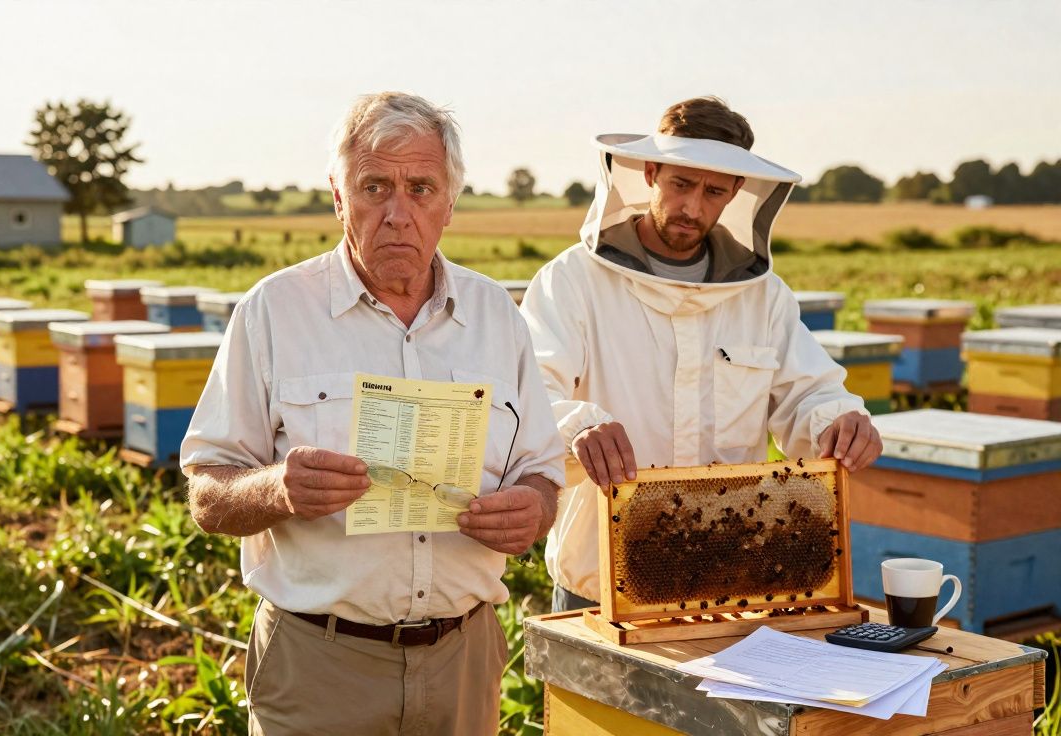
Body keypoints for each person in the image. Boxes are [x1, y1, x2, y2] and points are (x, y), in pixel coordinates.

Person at [181, 91, 564, 735]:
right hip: (318, 663)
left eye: (420, 188)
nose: (398, 213)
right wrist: (279, 489)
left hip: (464, 659)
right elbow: (207, 494)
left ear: (450, 204)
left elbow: (543, 473)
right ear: (338, 197)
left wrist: (533, 507)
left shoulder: (498, 316)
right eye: (375, 186)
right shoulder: (273, 312)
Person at [519, 96, 883, 612]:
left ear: (736, 191)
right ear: (650, 172)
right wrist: (576, 427)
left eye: (713, 192)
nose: (692, 207)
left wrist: (838, 421)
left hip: (729, 575)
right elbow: (530, 391)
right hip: (597, 582)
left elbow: (807, 394)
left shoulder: (762, 297)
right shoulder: (573, 281)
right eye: (680, 185)